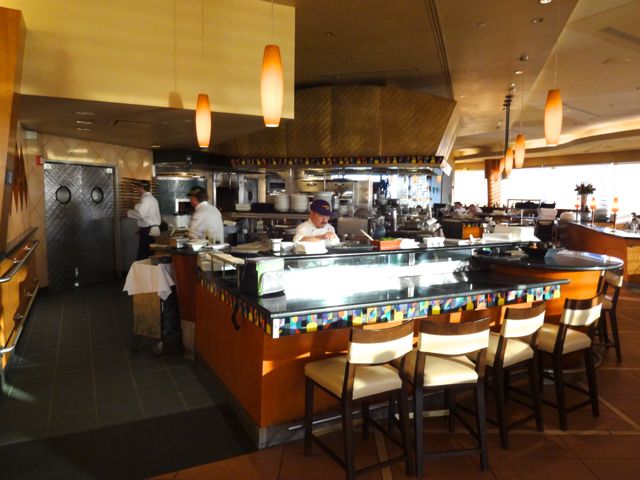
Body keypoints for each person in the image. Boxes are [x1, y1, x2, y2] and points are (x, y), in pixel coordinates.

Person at [127, 180, 161, 260]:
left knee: (144, 254)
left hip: (148, 230)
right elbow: (148, 216)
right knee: (150, 253)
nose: (137, 190)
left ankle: (141, 271)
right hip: (151, 229)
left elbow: (141, 214)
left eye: (138, 188)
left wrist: (128, 212)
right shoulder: (153, 199)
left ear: (142, 188)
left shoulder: (146, 199)